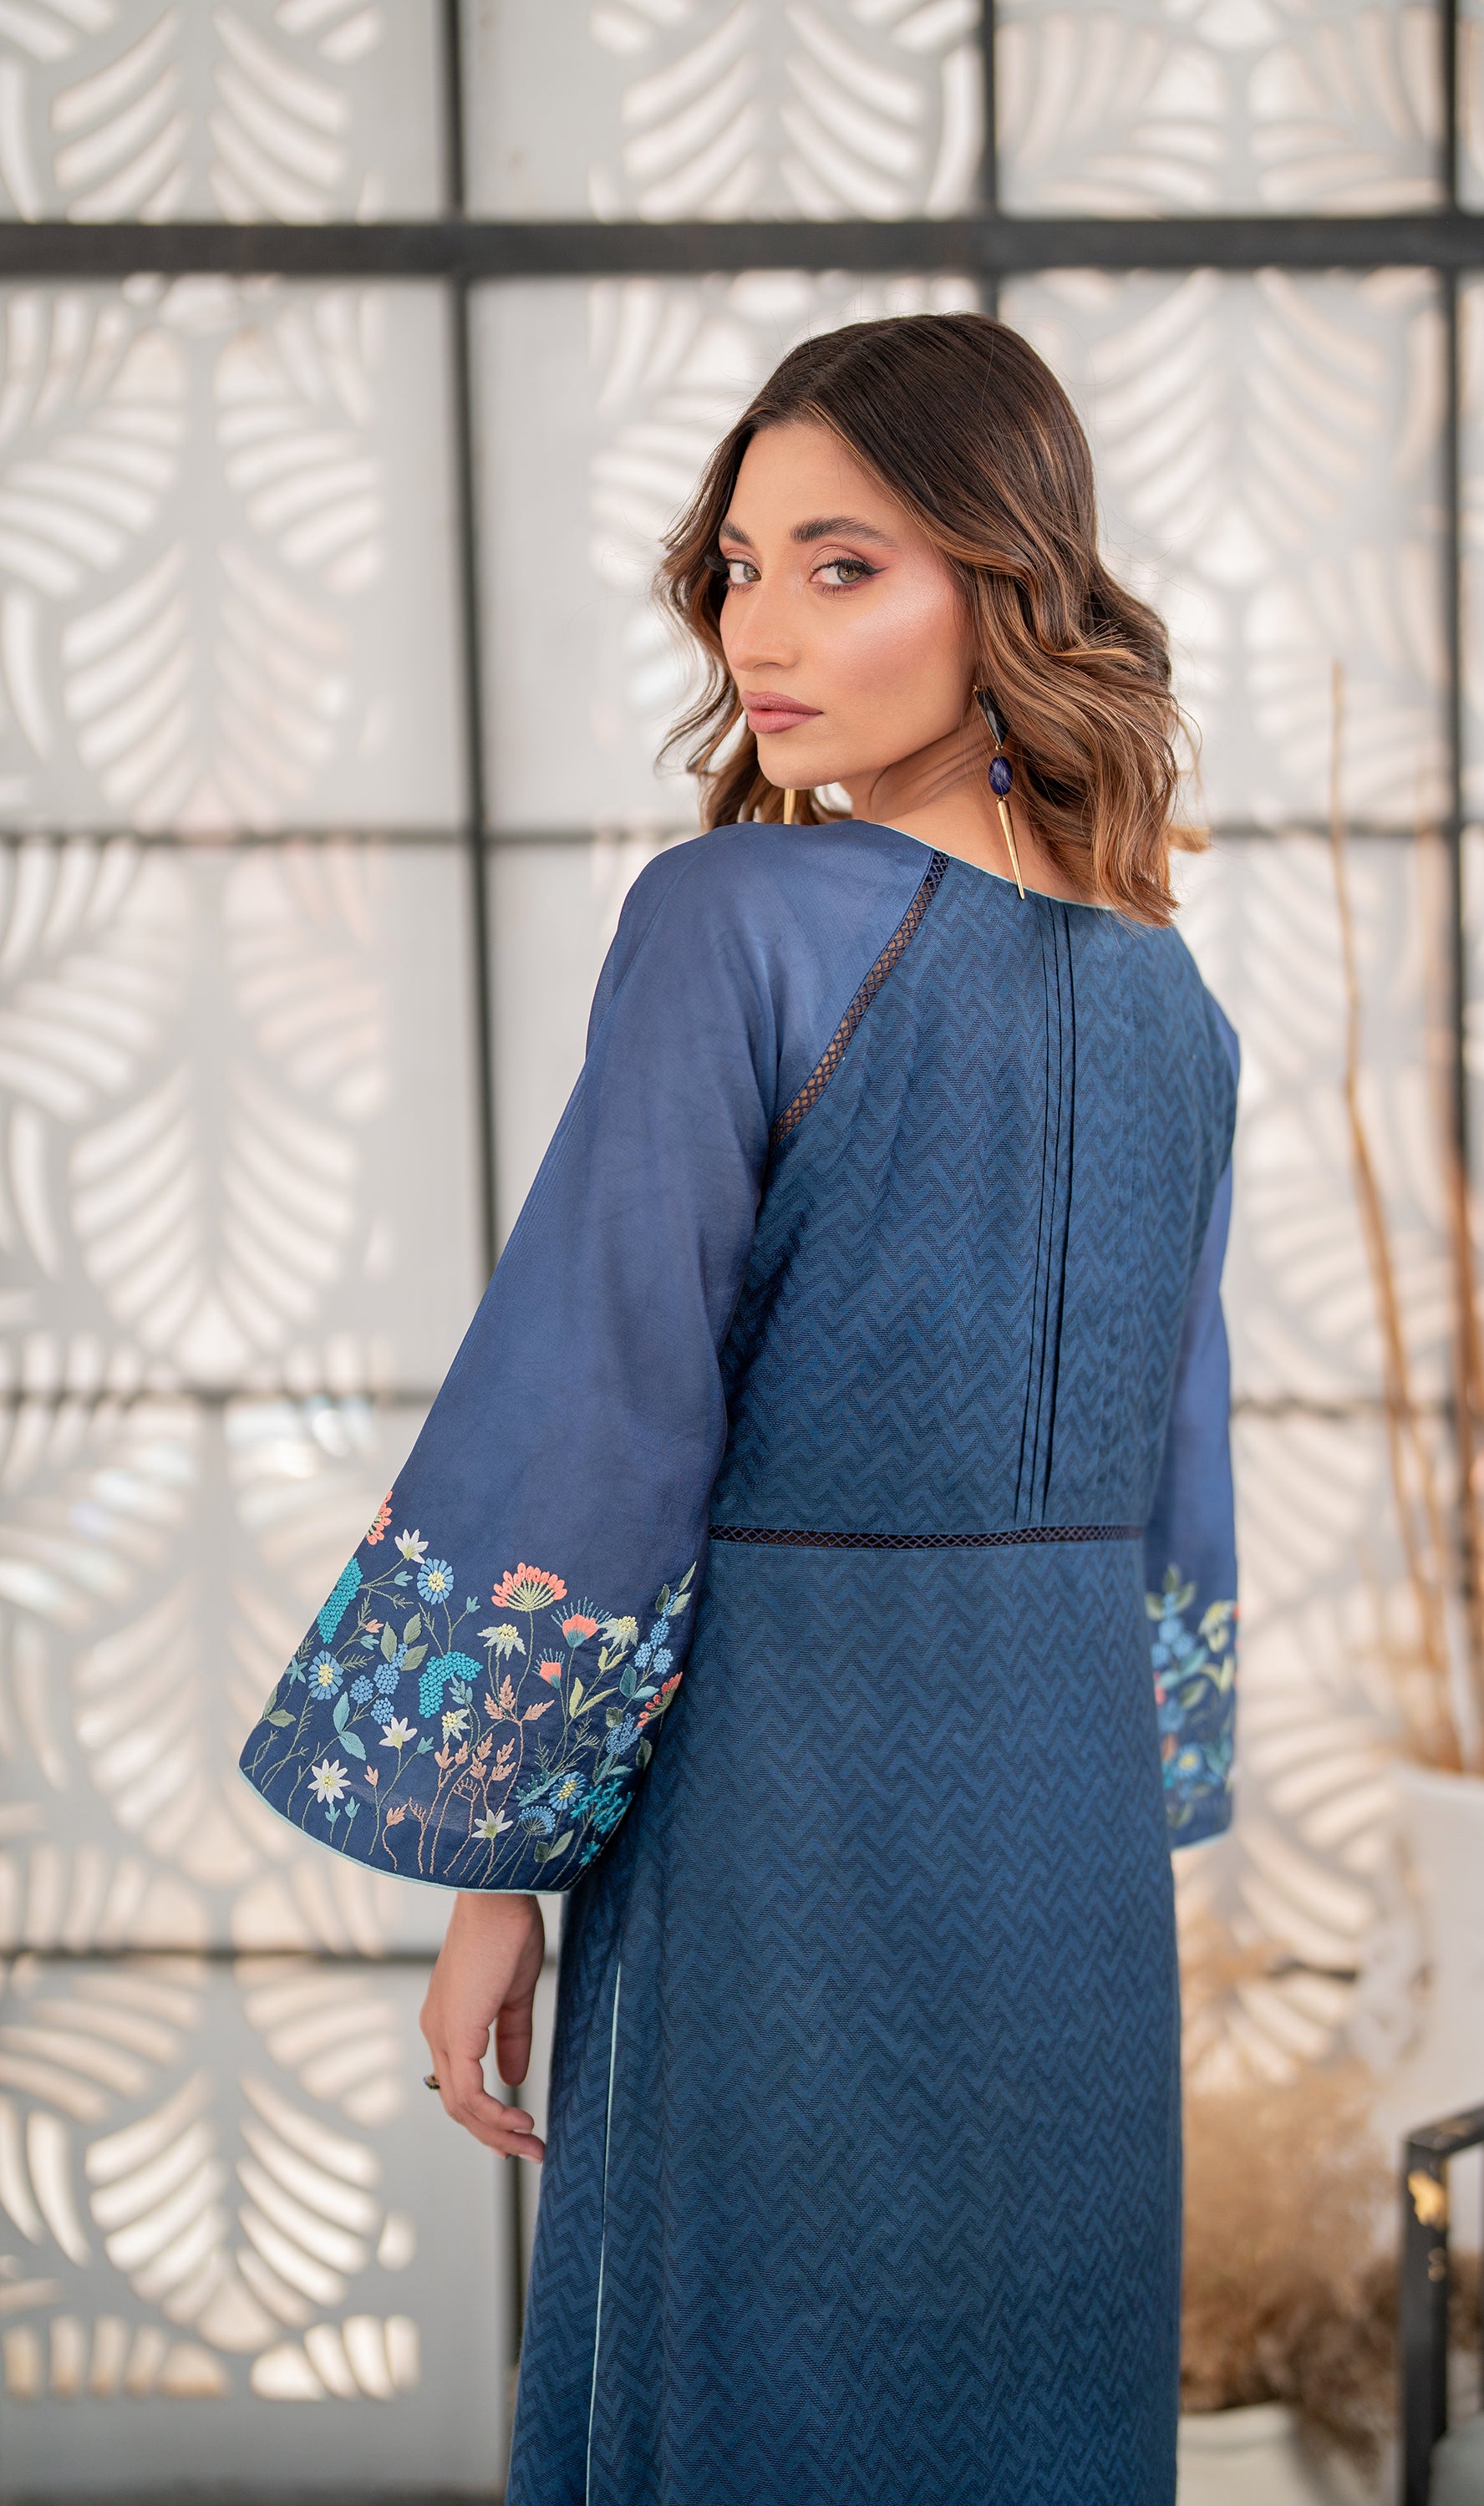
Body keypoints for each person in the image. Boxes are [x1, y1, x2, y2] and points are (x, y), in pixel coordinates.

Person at [239, 312, 1238, 2506]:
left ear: (1005, 577)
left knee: (745, 2394)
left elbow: (604, 1391)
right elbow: (1183, 1453)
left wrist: (497, 1868)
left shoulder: (735, 917)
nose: (757, 631)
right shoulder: (1176, 996)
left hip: (787, 1817)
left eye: (841, 565)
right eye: (737, 567)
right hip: (1068, 1860)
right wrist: (1140, 1761)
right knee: (1032, 2406)